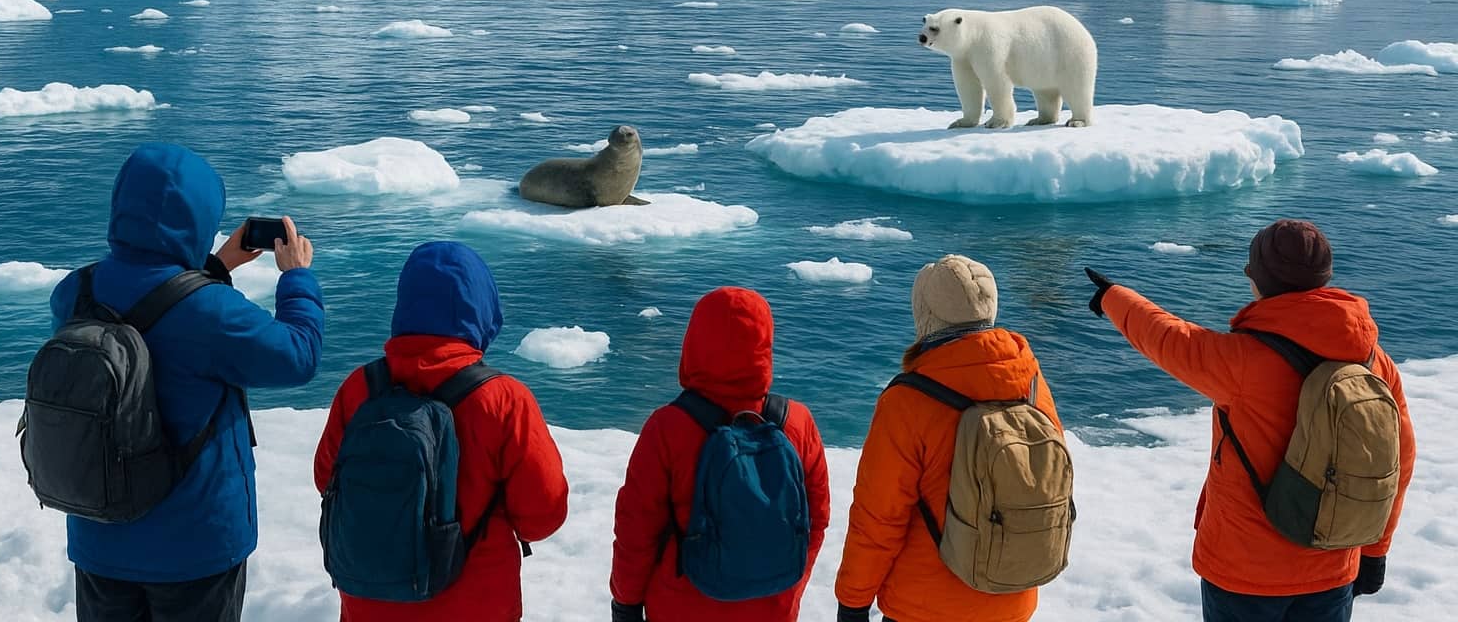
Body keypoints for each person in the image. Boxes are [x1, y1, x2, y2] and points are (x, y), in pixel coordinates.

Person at [1086, 218, 1417, 621]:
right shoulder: (1373, 360)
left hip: (1245, 571)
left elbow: (1168, 338)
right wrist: (1375, 550)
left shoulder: (1240, 360)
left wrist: (1112, 298)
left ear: (1258, 281)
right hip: (1334, 560)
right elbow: (1399, 462)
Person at [47, 142, 325, 622]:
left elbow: (152, 303)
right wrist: (297, 279)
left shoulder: (76, 291)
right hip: (194, 545)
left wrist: (216, 266)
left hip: (100, 532)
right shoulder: (211, 312)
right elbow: (296, 357)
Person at [313, 241, 569, 621]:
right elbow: (542, 514)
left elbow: (326, 479)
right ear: (483, 306)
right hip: (477, 605)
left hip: (370, 601)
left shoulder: (361, 387)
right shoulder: (503, 399)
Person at [835, 255, 1065, 622]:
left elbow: (878, 517)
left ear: (925, 314)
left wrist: (852, 601)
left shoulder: (909, 400)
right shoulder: (1032, 383)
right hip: (1013, 596)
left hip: (924, 606)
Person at [610, 286, 831, 622]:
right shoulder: (796, 421)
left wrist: (625, 603)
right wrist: (789, 590)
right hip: (773, 607)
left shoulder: (668, 428)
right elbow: (815, 519)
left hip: (679, 608)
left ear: (695, 342)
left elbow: (636, 532)